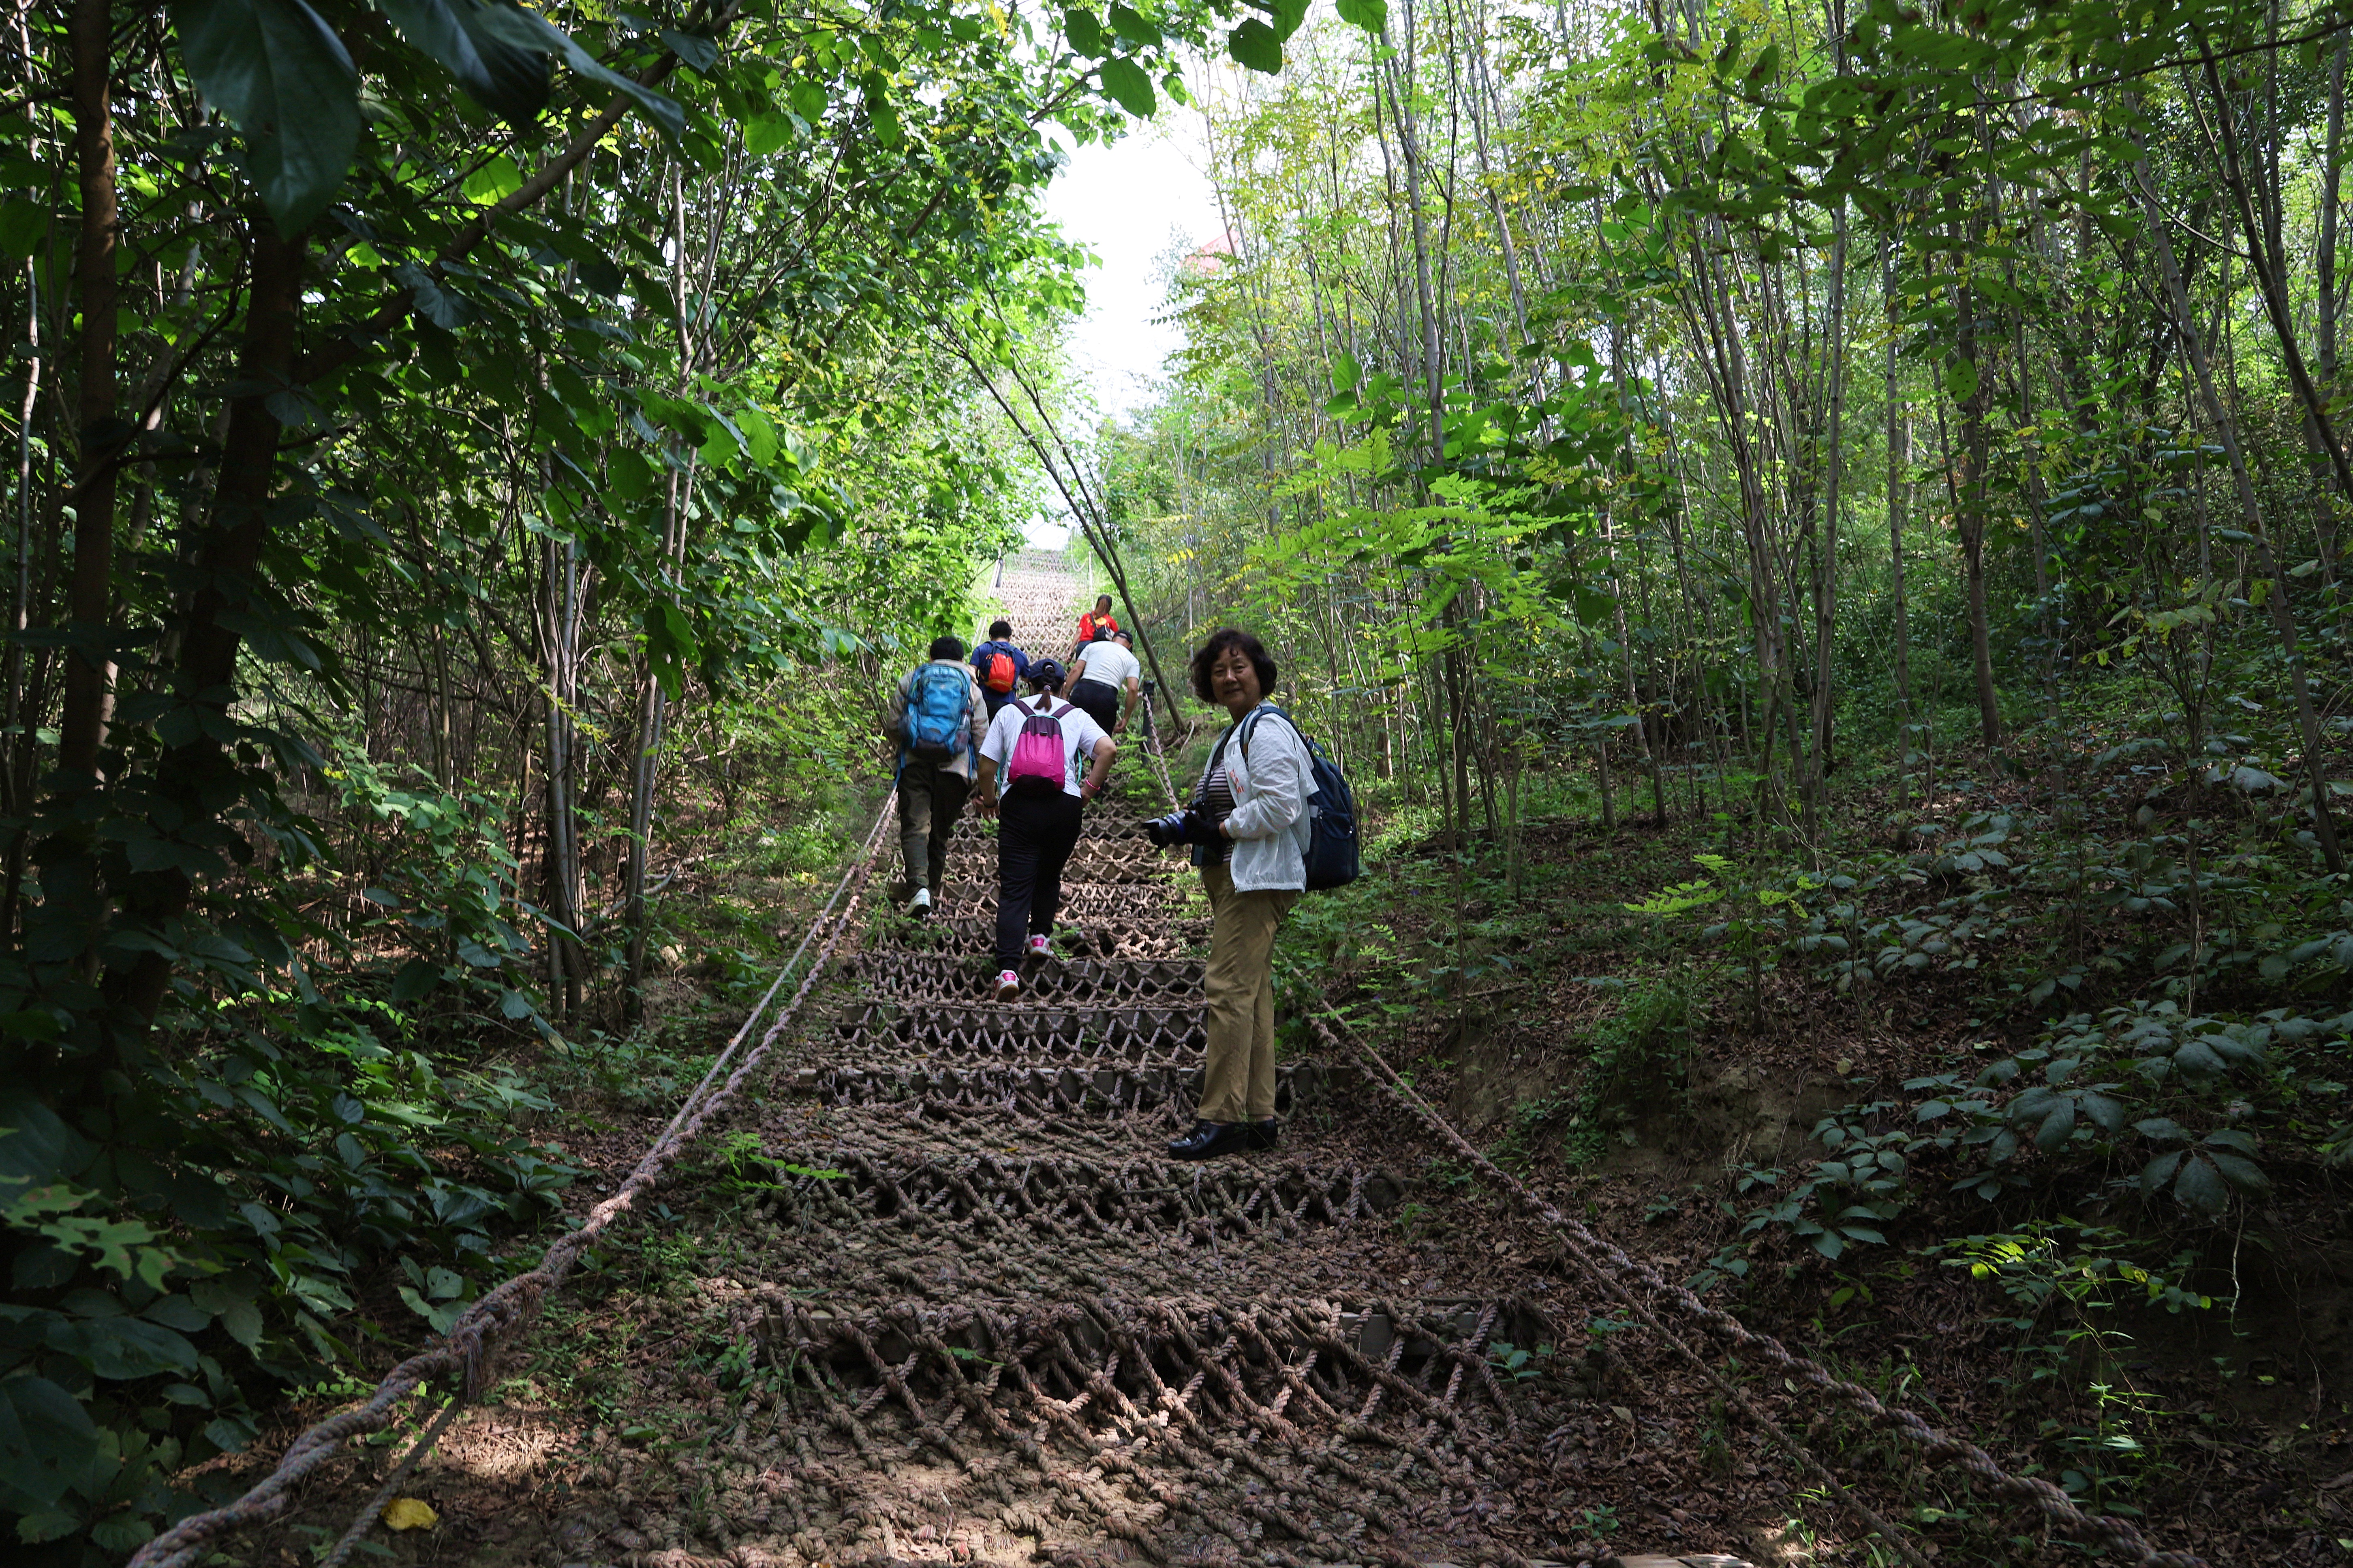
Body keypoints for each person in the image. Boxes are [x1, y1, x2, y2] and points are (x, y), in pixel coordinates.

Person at [1166, 628, 1311, 1161]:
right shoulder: (1237, 732)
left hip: (1258, 879)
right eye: (1218, 670)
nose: (1228, 677)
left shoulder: (1266, 730)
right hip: (1239, 878)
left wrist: (1220, 829)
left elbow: (1279, 807)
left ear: (1259, 672)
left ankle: (1219, 1118)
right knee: (1252, 996)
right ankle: (1257, 1115)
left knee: (1226, 990)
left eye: (1239, 666)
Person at [973, 660, 1115, 1002]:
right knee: (1050, 874)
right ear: (1064, 684)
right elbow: (1108, 750)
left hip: (1019, 805)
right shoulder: (1075, 715)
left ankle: (1008, 972)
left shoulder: (1010, 712)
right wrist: (1087, 792)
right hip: (1064, 806)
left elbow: (987, 765)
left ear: (1028, 683)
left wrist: (991, 800)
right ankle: (1040, 938)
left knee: (1015, 889)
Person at [886, 634, 988, 917]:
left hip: (915, 764)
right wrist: (982, 779)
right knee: (940, 833)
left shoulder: (912, 678)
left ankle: (918, 888)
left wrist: (912, 743)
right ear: (961, 659)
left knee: (915, 827)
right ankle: (929, 893)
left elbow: (894, 724)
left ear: (931, 656)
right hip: (956, 769)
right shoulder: (971, 688)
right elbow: (981, 736)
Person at [1067, 626, 1141, 736]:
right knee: (1101, 746)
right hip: (1106, 699)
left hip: (1083, 693)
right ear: (1130, 646)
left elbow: (1076, 670)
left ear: (1113, 639)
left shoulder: (1093, 646)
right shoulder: (1132, 660)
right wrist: (1126, 718)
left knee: (1071, 737)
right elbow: (1133, 689)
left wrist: (1065, 694)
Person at [970, 619, 1031, 720]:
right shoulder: (1019, 655)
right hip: (1008, 703)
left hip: (984, 701)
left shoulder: (982, 650)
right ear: (1010, 638)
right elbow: (1027, 679)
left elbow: (971, 672)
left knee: (982, 733)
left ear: (991, 636)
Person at [1070, 594, 1118, 660]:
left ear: (1097, 604)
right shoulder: (1111, 621)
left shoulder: (1086, 616)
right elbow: (1117, 638)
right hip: (1099, 648)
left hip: (1083, 646)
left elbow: (1079, 632)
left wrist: (1071, 650)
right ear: (1110, 607)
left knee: (1080, 669)